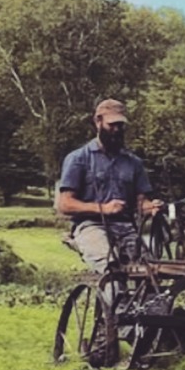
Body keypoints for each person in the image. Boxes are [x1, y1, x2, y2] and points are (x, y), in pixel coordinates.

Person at [57, 98, 163, 273]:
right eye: (112, 124)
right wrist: (103, 208)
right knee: (110, 270)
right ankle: (116, 297)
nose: (116, 130)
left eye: (120, 125)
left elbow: (141, 202)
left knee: (149, 272)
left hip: (126, 228)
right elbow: (65, 204)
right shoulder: (78, 159)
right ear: (98, 122)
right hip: (91, 226)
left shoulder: (133, 163)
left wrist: (151, 208)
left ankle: (148, 300)